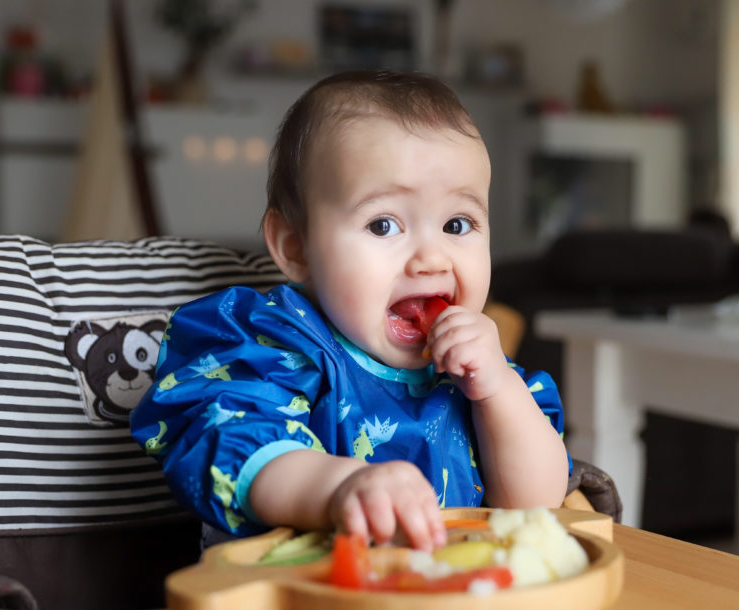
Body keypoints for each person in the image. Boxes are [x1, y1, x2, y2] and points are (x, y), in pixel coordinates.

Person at [131, 69, 570, 551]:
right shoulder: (276, 346)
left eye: (458, 223)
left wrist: (497, 392)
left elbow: (536, 509)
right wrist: (337, 489)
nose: (430, 259)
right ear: (296, 247)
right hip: (303, 604)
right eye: (383, 225)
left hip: (454, 604)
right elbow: (230, 449)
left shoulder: (483, 375)